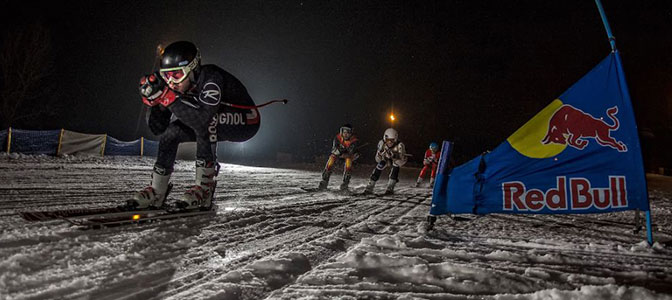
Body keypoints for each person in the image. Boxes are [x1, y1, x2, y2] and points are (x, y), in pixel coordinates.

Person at [130, 41, 261, 211]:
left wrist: (167, 97)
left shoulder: (211, 78)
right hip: (213, 117)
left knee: (206, 123)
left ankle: (204, 190)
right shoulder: (176, 84)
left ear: (193, 70)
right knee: (171, 132)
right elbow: (158, 129)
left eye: (176, 75)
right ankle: (157, 191)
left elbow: (202, 121)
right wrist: (155, 103)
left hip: (246, 121)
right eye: (166, 76)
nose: (171, 82)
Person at [364, 128, 407, 194]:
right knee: (380, 165)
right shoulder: (382, 144)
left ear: (395, 139)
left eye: (391, 140)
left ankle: (390, 187)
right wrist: (381, 156)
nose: (389, 142)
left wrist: (394, 157)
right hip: (386, 159)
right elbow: (377, 159)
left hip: (396, 160)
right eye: (388, 140)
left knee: (396, 165)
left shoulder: (399, 145)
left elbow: (402, 161)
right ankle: (370, 186)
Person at [318, 124, 359, 191]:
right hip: (339, 154)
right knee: (331, 158)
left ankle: (345, 184)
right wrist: (341, 151)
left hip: (348, 156)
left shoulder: (354, 141)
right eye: (344, 132)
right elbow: (334, 149)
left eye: (348, 133)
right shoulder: (337, 138)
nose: (345, 134)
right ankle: (324, 181)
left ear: (351, 133)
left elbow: (351, 152)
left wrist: (343, 152)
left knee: (349, 162)